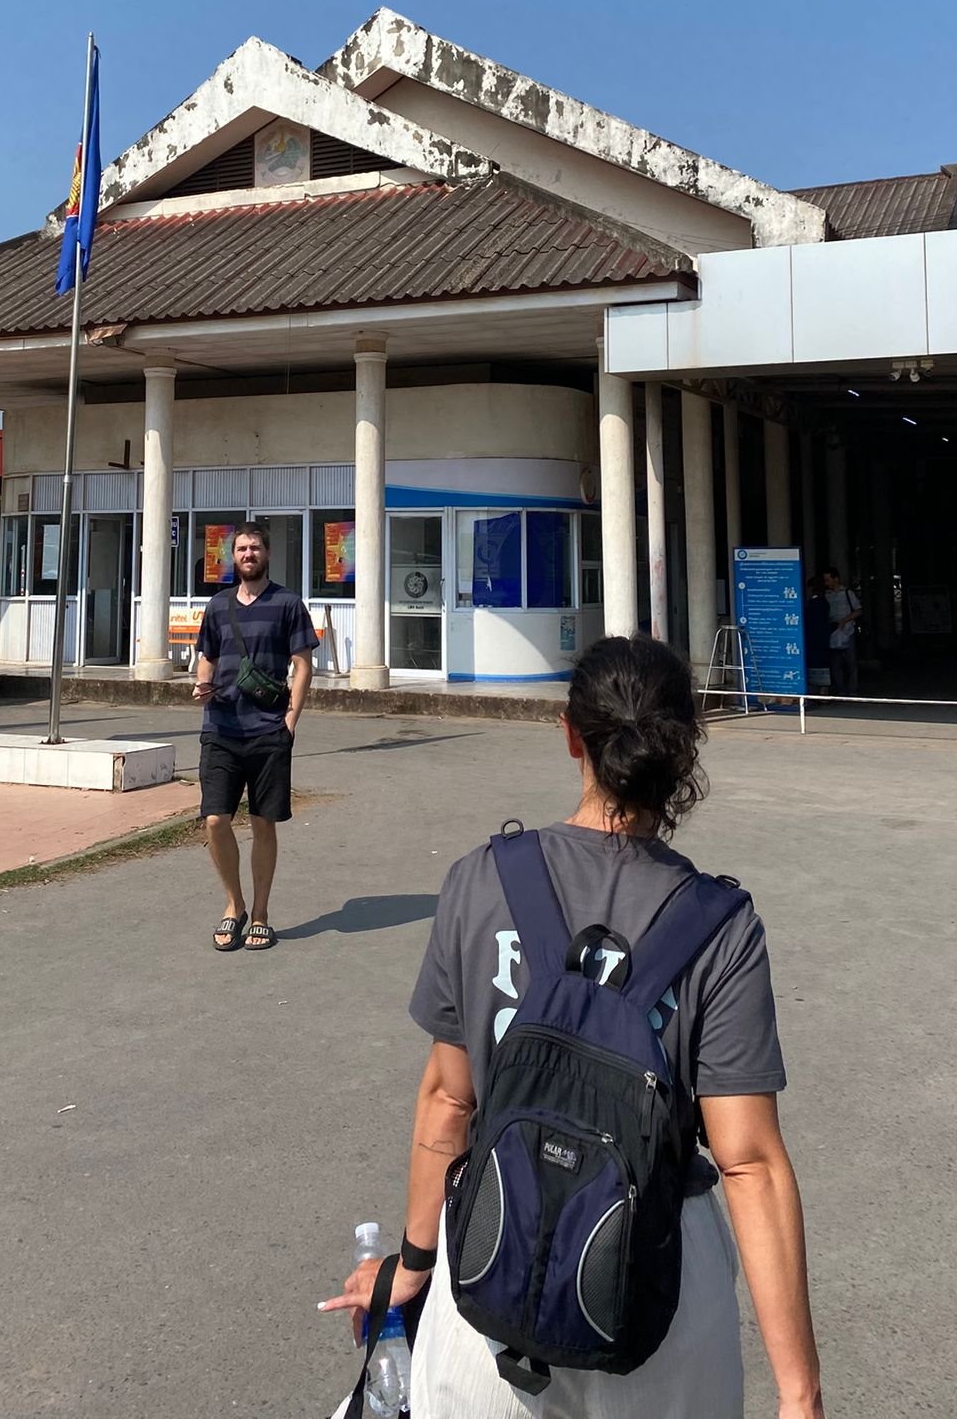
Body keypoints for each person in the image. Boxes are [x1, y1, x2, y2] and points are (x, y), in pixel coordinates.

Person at [321, 633, 824, 1419]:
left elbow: (448, 1104)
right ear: (685, 748)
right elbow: (749, 1162)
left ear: (569, 735)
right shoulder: (719, 925)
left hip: (488, 1269)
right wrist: (800, 1393)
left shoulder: (483, 878)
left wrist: (414, 1265)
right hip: (659, 1293)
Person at [192, 519, 316, 953]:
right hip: (222, 729)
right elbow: (206, 656)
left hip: (268, 730)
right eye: (241, 549)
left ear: (266, 554)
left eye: (254, 548)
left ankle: (260, 913)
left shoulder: (287, 603)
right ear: (234, 556)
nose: (248, 555)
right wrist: (201, 686)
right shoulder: (219, 605)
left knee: (264, 823)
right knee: (215, 819)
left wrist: (290, 720)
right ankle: (234, 905)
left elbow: (303, 665)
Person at [822, 567, 861, 696]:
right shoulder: (827, 595)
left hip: (847, 631)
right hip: (833, 631)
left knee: (851, 663)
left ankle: (853, 690)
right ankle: (841, 690)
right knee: (836, 664)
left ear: (836, 579)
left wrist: (844, 620)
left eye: (828, 579)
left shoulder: (847, 593)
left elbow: (858, 610)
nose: (826, 582)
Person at [803, 574, 832, 696]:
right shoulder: (824, 601)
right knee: (824, 663)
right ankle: (823, 692)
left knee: (815, 663)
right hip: (824, 637)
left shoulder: (813, 603)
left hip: (813, 637)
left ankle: (818, 692)